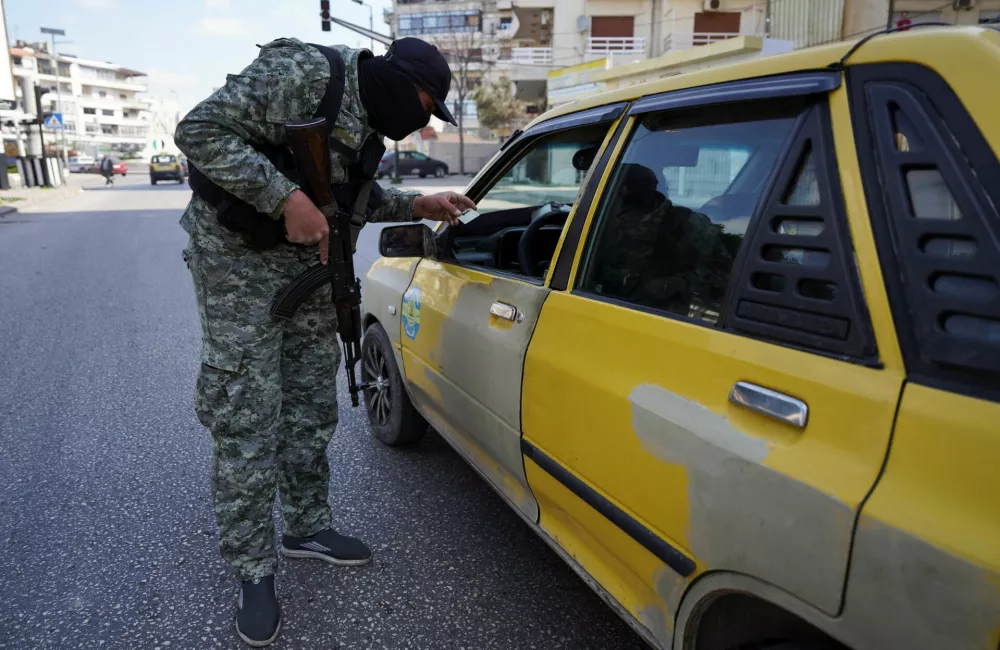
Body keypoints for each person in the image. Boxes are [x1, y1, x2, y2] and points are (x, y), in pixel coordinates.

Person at [174, 36, 475, 647]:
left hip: (314, 268)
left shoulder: (368, 125)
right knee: (248, 416)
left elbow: (348, 198)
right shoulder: (307, 71)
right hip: (239, 269)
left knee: (312, 407)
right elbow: (198, 131)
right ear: (401, 81)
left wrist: (417, 200)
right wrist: (282, 198)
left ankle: (306, 526)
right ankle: (253, 569)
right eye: (425, 105)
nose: (421, 122)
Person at [590, 163, 732, 315]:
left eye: (640, 186)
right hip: (602, 307)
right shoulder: (597, 220)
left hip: (666, 316)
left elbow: (727, 276)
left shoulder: (689, 224)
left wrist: (681, 282)